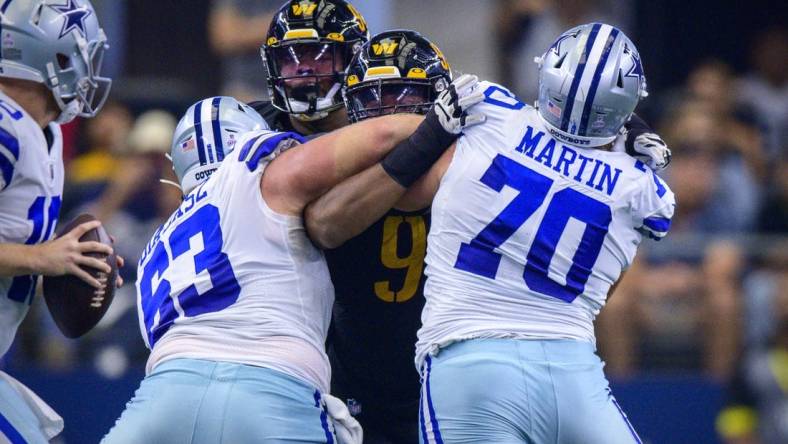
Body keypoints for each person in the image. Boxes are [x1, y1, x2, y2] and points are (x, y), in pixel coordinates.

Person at [102, 69, 484, 442]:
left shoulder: (160, 241)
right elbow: (380, 139)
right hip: (271, 385)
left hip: (161, 395)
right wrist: (437, 124)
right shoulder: (253, 165)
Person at [403, 23, 674, 443]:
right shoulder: (644, 188)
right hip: (572, 374)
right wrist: (630, 132)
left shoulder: (487, 110)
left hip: (469, 360)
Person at [0, 0, 115, 442]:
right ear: (53, 55)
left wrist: (76, 264)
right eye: (82, 54)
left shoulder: (39, 132)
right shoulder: (6, 130)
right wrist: (43, 257)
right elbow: (35, 255)